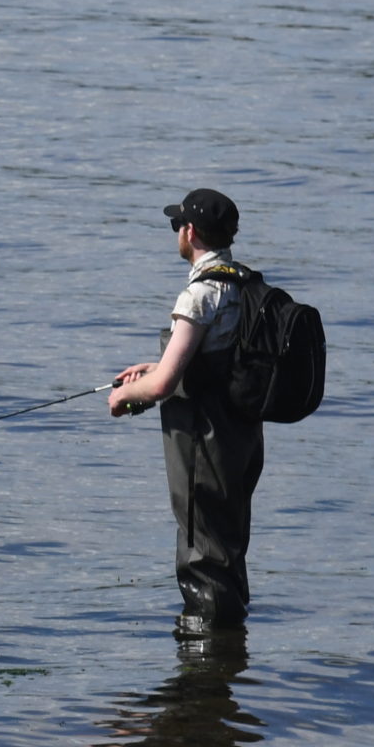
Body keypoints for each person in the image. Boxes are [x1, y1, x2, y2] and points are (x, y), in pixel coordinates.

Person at [108, 188, 267, 637]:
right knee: (228, 545)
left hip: (204, 442)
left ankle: (202, 656)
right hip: (243, 439)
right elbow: (216, 357)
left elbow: (160, 387)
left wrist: (124, 398)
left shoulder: (199, 294)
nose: (177, 232)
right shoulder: (245, 282)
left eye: (178, 224)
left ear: (190, 232)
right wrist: (155, 366)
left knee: (202, 549)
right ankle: (231, 650)